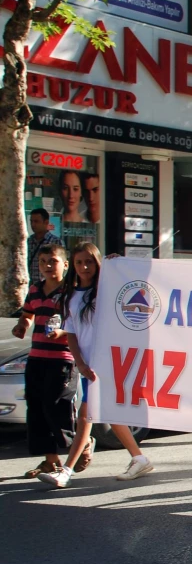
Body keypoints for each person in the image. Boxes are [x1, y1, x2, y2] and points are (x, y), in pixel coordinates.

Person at [38, 245, 155, 488]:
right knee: (105, 414)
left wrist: (117, 265)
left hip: (107, 362)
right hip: (89, 364)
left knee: (86, 416)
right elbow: (71, 333)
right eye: (79, 262)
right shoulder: (71, 295)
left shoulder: (106, 290)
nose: (84, 268)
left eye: (89, 262)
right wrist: (80, 362)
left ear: (97, 264)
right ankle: (139, 458)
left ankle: (66, 471)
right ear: (73, 265)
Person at [15, 244, 76, 480]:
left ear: (65, 265)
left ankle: (80, 445)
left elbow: (79, 324)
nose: (48, 266)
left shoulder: (72, 292)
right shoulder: (34, 290)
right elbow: (28, 314)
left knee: (56, 408)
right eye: (43, 262)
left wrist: (62, 334)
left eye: (53, 261)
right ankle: (51, 461)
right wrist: (22, 326)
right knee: (37, 410)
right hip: (36, 358)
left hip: (61, 360)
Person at [25, 208, 62, 281]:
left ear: (46, 222)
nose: (33, 224)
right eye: (31, 221)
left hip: (47, 285)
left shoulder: (55, 242)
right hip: (30, 286)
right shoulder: (28, 241)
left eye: (36, 221)